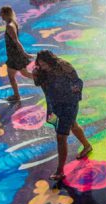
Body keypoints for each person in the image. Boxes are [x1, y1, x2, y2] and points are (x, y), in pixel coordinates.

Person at [32, 50, 93, 183]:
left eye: (44, 63)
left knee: (61, 136)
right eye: (40, 63)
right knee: (73, 125)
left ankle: (60, 171)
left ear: (51, 61)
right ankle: (87, 146)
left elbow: (77, 82)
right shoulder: (40, 71)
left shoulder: (64, 66)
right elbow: (41, 85)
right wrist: (36, 75)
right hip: (54, 105)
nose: (43, 66)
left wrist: (73, 97)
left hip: (69, 104)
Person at [1, 6, 33, 102]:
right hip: (14, 54)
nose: (0, 15)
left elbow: (16, 41)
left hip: (14, 56)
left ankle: (17, 96)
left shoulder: (10, 26)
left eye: (1, 13)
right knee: (25, 73)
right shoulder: (12, 23)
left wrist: (25, 54)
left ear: (6, 14)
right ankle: (42, 79)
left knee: (12, 77)